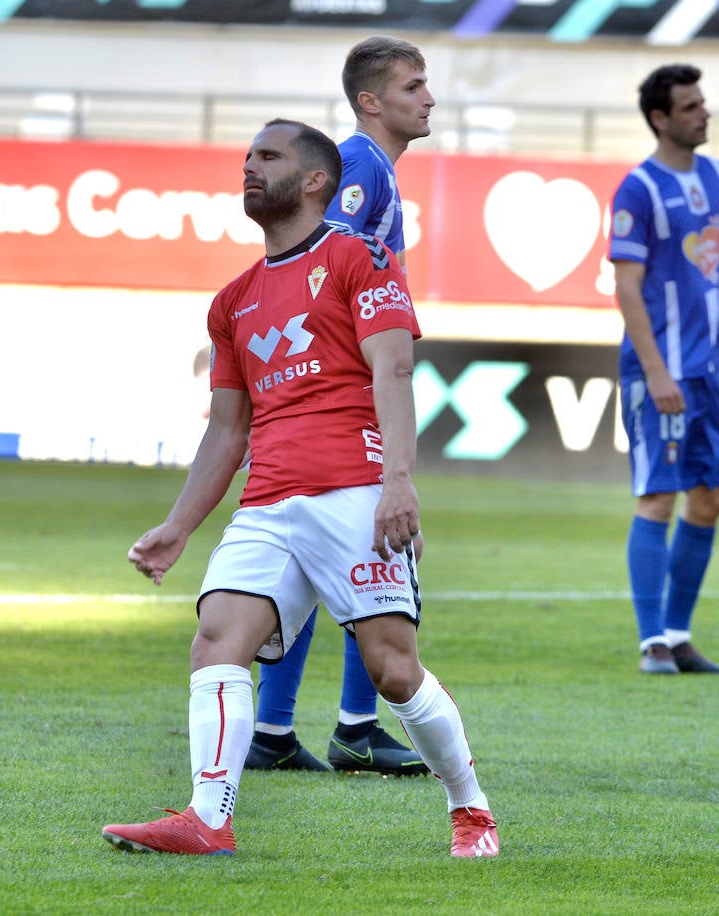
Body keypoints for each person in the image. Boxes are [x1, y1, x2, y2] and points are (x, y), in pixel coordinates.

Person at [102, 118, 498, 858]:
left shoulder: (360, 257)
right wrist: (180, 525)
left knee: (392, 669)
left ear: (316, 179)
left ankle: (469, 807)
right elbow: (227, 431)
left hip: (355, 488)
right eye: (247, 157)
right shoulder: (233, 301)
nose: (249, 167)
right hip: (268, 503)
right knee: (217, 640)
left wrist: (398, 482)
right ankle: (207, 818)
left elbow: (395, 371)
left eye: (269, 156)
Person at [245, 35, 435, 777]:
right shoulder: (359, 166)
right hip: (340, 397)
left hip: (335, 389)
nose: (427, 99)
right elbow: (325, 267)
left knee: (335, 555)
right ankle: (341, 728)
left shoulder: (374, 168)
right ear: (371, 100)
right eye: (414, 86)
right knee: (362, 551)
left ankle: (287, 728)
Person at [606, 63, 719, 676]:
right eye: (690, 106)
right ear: (661, 119)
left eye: (703, 102)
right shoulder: (637, 189)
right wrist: (657, 371)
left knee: (711, 497)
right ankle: (651, 642)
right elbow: (628, 288)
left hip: (714, 370)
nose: (703, 113)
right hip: (660, 371)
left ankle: (680, 635)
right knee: (658, 497)